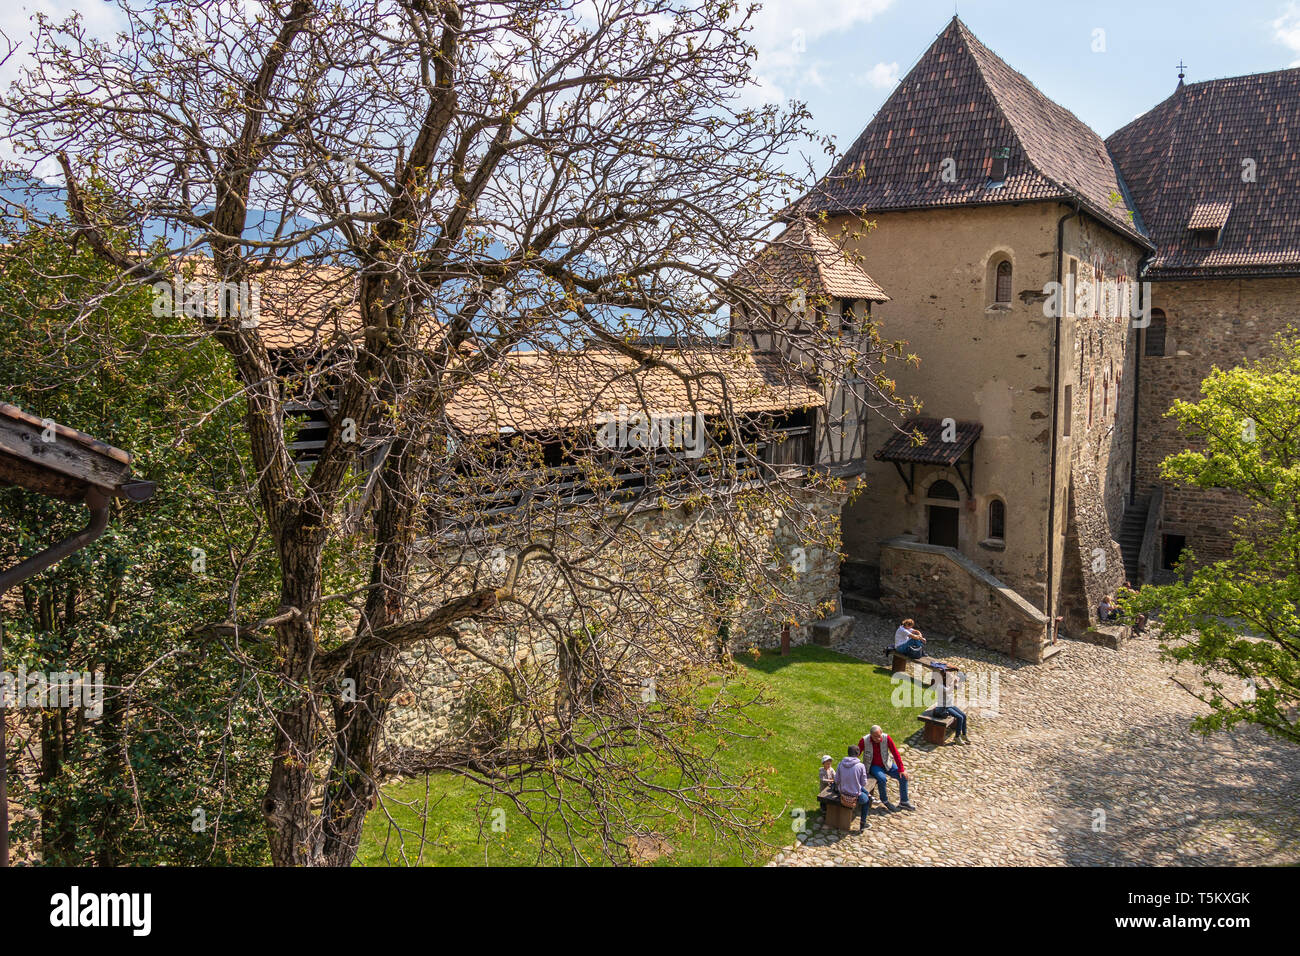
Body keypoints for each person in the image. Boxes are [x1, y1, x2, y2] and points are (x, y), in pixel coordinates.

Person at [857, 725, 916, 811]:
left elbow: (895, 753)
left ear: (882, 733)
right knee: (882, 779)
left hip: (887, 764)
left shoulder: (887, 738)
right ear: (871, 735)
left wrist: (901, 769)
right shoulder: (864, 741)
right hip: (874, 766)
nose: (877, 739)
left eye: (879, 736)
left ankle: (904, 802)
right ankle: (885, 801)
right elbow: (856, 754)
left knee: (903, 777)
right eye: (875, 737)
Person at [835, 745, 873, 831]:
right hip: (854, 795)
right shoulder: (860, 766)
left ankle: (868, 795)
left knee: (861, 790)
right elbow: (864, 783)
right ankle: (863, 823)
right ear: (858, 753)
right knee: (866, 800)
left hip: (842, 792)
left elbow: (836, 780)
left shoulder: (841, 764)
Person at [931, 664, 970, 744]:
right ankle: (957, 737)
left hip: (950, 705)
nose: (951, 677)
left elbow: (957, 687)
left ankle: (964, 734)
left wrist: (960, 679)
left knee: (964, 716)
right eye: (949, 677)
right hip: (944, 707)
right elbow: (948, 690)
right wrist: (953, 683)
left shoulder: (948, 683)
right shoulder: (940, 686)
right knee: (959, 718)